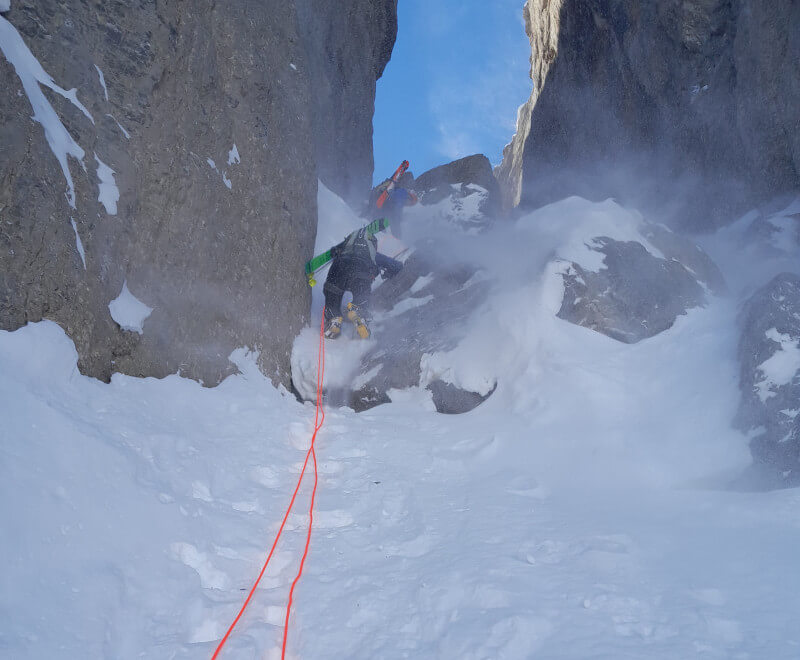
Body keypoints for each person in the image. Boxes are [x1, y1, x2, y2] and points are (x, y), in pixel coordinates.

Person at [323, 227, 403, 339]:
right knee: (361, 296)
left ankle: (334, 318)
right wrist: (390, 271)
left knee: (333, 291)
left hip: (339, 269)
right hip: (362, 274)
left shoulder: (342, 250)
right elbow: (396, 266)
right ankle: (358, 311)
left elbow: (332, 253)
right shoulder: (373, 255)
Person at [371, 172, 418, 239]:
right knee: (393, 228)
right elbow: (397, 208)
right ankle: (395, 240)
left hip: (380, 210)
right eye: (410, 203)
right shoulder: (402, 192)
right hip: (386, 211)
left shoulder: (396, 189)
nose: (408, 204)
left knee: (381, 230)